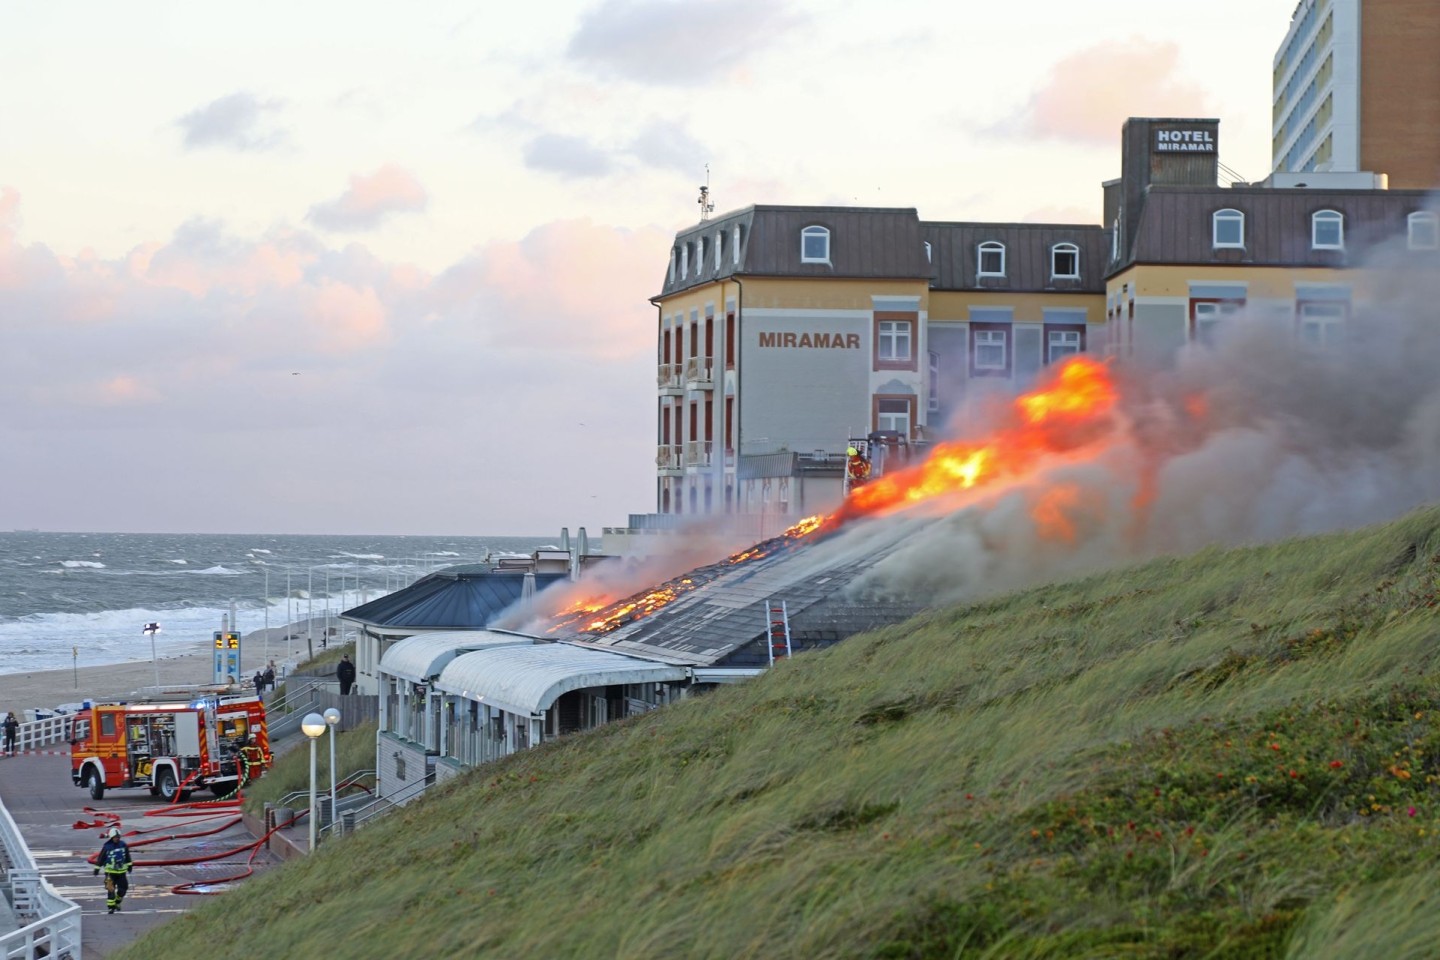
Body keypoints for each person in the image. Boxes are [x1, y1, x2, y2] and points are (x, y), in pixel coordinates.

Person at [94, 825, 133, 913]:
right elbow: (101, 858)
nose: (117, 839)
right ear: (111, 837)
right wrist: (97, 868)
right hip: (109, 873)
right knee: (110, 890)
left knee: (123, 889)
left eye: (118, 837)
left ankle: (117, 902)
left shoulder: (123, 845)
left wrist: (130, 865)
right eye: (115, 837)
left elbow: (127, 856)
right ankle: (111, 907)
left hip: (121, 872)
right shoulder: (107, 847)